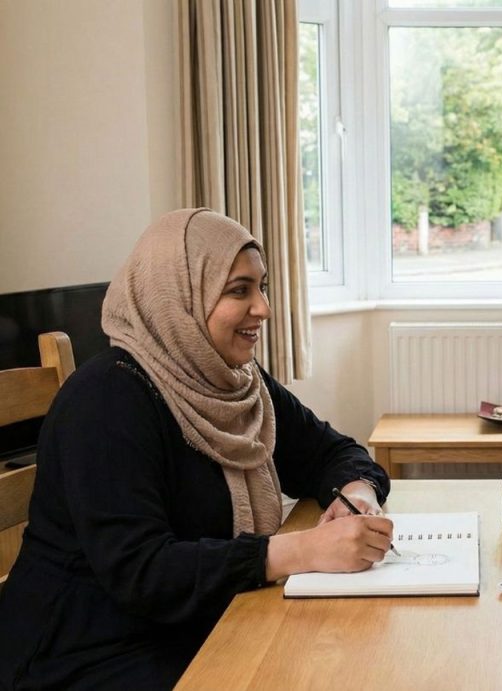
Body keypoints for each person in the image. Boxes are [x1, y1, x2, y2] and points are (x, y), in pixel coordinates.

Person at [0, 209, 394, 689]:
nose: (263, 309)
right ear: (178, 296)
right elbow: (143, 573)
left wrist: (357, 494)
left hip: (193, 623)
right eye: (238, 290)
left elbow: (331, 451)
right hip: (86, 650)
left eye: (262, 287)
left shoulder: (237, 384)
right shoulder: (104, 400)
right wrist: (300, 549)